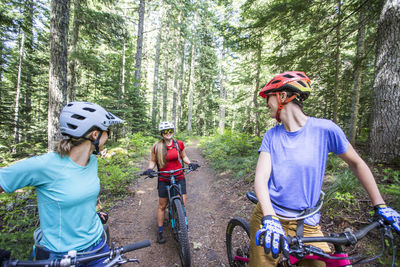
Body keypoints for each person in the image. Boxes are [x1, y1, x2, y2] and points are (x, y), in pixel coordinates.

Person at [249, 71, 400, 266]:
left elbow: (357, 163)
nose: (266, 103)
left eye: (268, 97)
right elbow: (261, 178)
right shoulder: (272, 135)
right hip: (269, 217)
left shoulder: (326, 129)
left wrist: (380, 204)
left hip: (307, 224)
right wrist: (269, 218)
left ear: (282, 97)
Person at [0, 101, 124, 266]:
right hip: (60, 256)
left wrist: (92, 214)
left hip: (97, 246)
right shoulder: (45, 165)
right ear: (95, 135)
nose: (108, 136)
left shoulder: (92, 161)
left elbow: (78, 196)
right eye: (107, 132)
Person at [142, 121, 199, 244]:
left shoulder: (179, 144)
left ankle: (182, 225)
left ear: (173, 131)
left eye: (170, 131)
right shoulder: (157, 146)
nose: (168, 133)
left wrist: (190, 164)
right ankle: (160, 232)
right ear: (161, 134)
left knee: (182, 204)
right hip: (164, 179)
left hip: (179, 176)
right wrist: (149, 169)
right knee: (162, 205)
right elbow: (153, 161)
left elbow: (184, 157)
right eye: (165, 131)